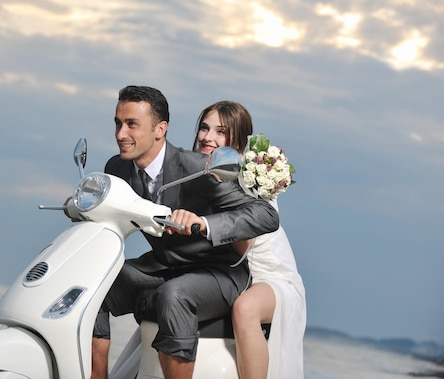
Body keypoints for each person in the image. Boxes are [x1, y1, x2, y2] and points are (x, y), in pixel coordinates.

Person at [91, 86, 280, 379]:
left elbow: (264, 215)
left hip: (217, 272)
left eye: (131, 125)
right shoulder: (117, 168)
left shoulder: (201, 169)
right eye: (118, 123)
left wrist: (204, 223)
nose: (120, 134)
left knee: (174, 295)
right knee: (95, 283)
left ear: (160, 129)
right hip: (165, 265)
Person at [192, 100, 306, 379]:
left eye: (221, 132)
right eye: (204, 128)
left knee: (246, 309)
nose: (208, 137)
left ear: (237, 140)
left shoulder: (248, 177)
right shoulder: (194, 172)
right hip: (232, 275)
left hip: (272, 279)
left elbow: (244, 246)